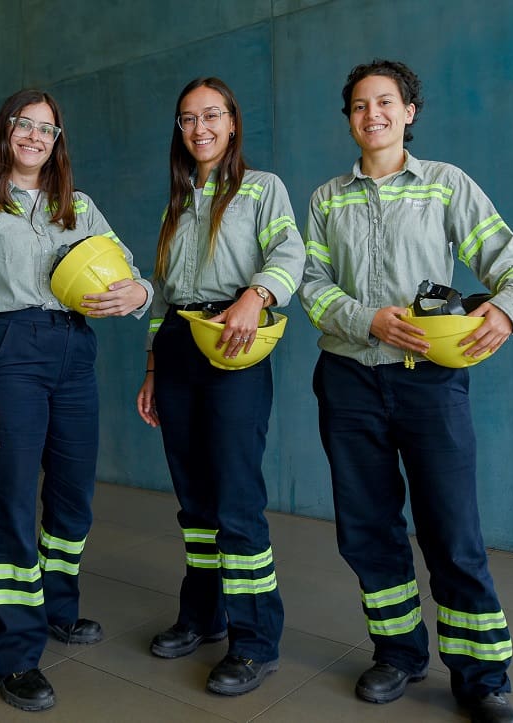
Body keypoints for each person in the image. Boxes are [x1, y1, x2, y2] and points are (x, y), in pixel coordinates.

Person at [299, 59, 513, 723]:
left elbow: (510, 263)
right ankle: (397, 652)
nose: (372, 115)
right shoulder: (325, 199)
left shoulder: (445, 186)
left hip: (428, 383)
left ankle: (482, 678)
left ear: (409, 111)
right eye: (358, 106)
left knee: (452, 530)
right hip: (348, 380)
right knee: (367, 528)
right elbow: (312, 288)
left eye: (385, 103)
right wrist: (367, 319)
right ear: (348, 118)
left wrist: (507, 309)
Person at [0, 88, 152, 712]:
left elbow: (129, 269)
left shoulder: (77, 206)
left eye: (48, 129)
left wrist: (138, 294)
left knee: (71, 496)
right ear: (4, 132)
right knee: (11, 500)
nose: (36, 137)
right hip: (11, 351)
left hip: (73, 352)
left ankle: (59, 608)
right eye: (24, 125)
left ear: (58, 141)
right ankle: (13, 653)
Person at [135, 77, 305, 697]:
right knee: (194, 499)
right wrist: (154, 367)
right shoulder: (176, 202)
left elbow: (290, 252)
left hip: (233, 342)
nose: (199, 128)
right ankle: (202, 615)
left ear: (233, 122)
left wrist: (254, 297)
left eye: (211, 116)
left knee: (235, 498)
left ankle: (255, 640)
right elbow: (160, 296)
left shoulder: (262, 190)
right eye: (187, 119)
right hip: (180, 346)